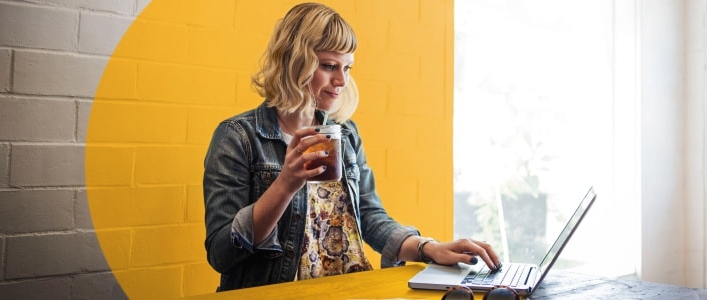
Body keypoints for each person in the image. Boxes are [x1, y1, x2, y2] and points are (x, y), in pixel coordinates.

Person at [203, 2, 501, 292]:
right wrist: (285, 185)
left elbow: (369, 216)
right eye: (329, 65)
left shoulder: (345, 134)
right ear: (294, 63)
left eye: (347, 67)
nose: (342, 80)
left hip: (346, 289)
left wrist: (428, 248)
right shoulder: (238, 137)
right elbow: (221, 255)